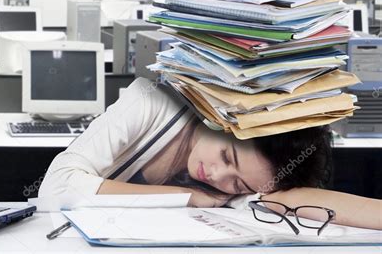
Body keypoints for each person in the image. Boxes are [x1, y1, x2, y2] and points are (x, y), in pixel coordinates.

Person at [39, 78, 381, 230]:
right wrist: (185, 196)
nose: (218, 177)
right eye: (228, 158)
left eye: (239, 184)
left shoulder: (241, 184)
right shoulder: (149, 102)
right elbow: (57, 188)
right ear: (221, 120)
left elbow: (301, 200)